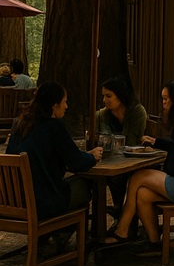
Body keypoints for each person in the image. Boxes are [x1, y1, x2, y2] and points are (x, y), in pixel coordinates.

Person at [104, 80, 174, 256]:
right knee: (142, 193)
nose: (163, 104)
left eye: (166, 99)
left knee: (138, 177)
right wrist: (157, 142)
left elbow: (173, 167)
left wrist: (159, 171)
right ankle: (154, 241)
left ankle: (123, 230)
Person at [6, 82, 102, 222]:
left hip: (13, 201)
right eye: (64, 101)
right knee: (84, 186)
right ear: (54, 105)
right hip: (41, 203)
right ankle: (61, 233)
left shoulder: (19, 124)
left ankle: (56, 234)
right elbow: (76, 162)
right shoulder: (53, 127)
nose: (66, 106)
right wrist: (92, 156)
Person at [95, 76, 149, 213]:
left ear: (120, 95)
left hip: (133, 161)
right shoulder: (103, 115)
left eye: (109, 96)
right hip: (110, 162)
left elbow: (131, 142)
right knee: (93, 180)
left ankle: (123, 214)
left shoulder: (137, 112)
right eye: (103, 96)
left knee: (118, 176)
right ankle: (99, 223)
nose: (104, 100)